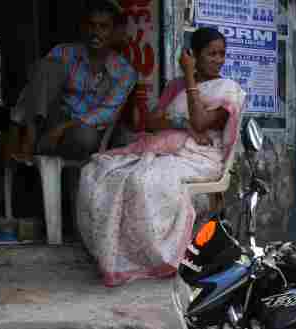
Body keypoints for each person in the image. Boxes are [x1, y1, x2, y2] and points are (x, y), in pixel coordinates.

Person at [77, 28, 245, 287]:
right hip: (164, 146)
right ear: (194, 54)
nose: (219, 60)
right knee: (96, 172)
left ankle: (154, 257)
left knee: (142, 182)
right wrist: (182, 123)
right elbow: (152, 121)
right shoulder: (176, 86)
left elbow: (201, 123)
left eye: (222, 54)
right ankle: (114, 253)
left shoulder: (228, 89)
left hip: (199, 156)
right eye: (212, 54)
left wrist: (189, 77)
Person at [2, 0, 137, 163]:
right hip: (51, 119)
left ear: (114, 31)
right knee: (45, 67)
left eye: (104, 27)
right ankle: (31, 140)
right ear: (84, 27)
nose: (96, 32)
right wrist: (16, 123)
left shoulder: (125, 71)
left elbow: (106, 112)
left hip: (82, 129)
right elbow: (36, 87)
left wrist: (63, 128)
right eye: (92, 25)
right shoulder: (63, 52)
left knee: (86, 136)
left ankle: (43, 150)